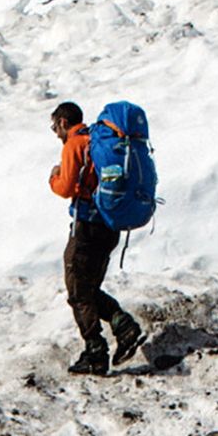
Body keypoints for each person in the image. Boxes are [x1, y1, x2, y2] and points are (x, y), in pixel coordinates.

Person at [49, 101, 144, 375]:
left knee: (78, 291)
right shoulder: (97, 140)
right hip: (110, 225)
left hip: (86, 227)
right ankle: (123, 327)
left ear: (63, 122)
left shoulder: (73, 145)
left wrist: (53, 178)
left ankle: (95, 351)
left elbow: (66, 187)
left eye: (54, 126)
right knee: (89, 288)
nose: (55, 131)